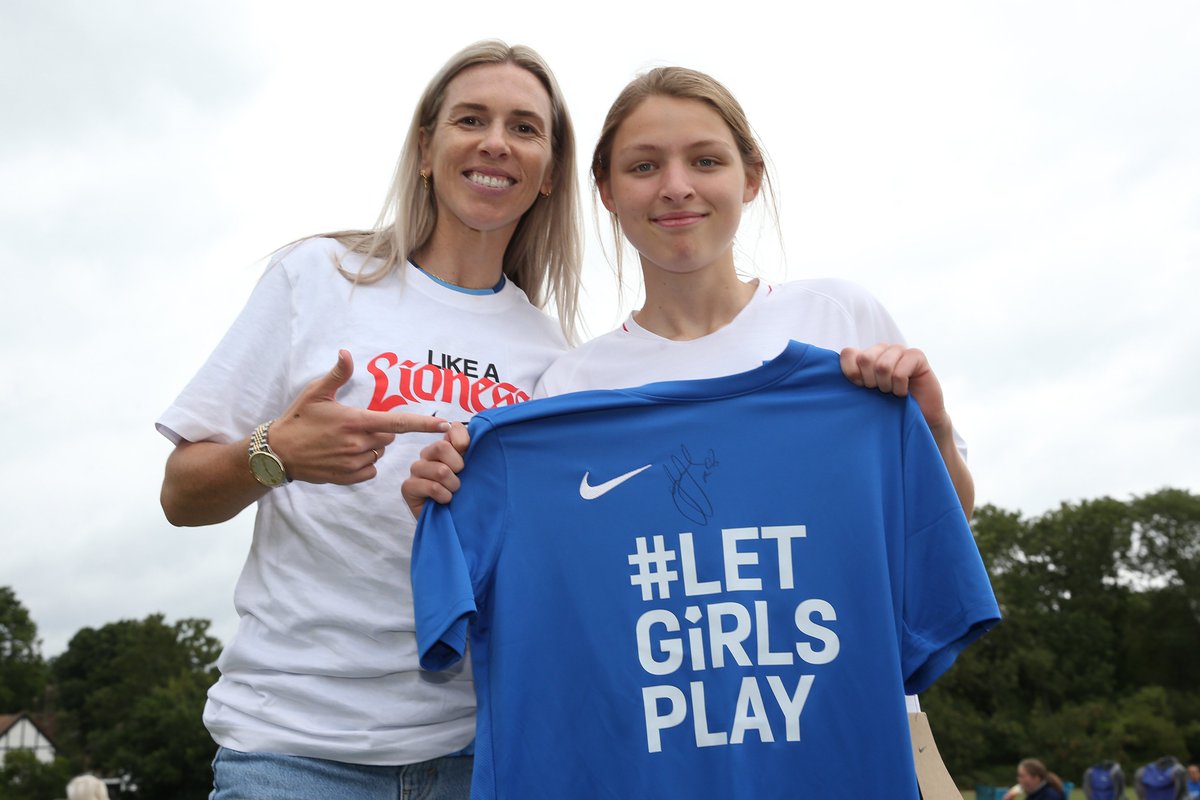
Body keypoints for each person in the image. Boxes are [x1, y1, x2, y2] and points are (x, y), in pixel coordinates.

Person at [157, 39, 582, 798]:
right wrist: (278, 453)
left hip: (473, 758)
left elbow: (536, 570)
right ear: (424, 150)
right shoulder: (320, 278)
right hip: (292, 753)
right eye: (471, 119)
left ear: (548, 172)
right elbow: (180, 495)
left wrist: (460, 516)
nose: (495, 142)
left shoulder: (552, 357)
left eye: (524, 128)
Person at [405, 65, 973, 523]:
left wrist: (935, 430)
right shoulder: (570, 386)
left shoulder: (839, 318)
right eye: (644, 166)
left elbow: (948, 521)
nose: (676, 188)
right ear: (607, 191)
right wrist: (451, 506)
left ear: (750, 177)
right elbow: (550, 563)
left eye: (705, 161)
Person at [1003, 759, 1067, 800]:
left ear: (1036, 778)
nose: (1019, 779)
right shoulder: (1033, 795)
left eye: (1022, 776)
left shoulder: (1050, 795)